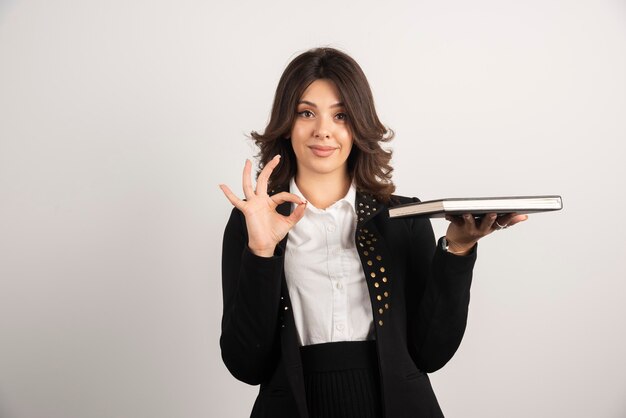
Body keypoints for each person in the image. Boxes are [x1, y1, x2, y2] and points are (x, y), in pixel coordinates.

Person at [219, 47, 527, 418]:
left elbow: (430, 353)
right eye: (306, 113)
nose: (323, 130)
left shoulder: (402, 217)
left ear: (359, 124)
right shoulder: (251, 223)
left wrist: (457, 250)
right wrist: (261, 253)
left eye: (341, 115)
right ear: (287, 123)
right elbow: (245, 364)